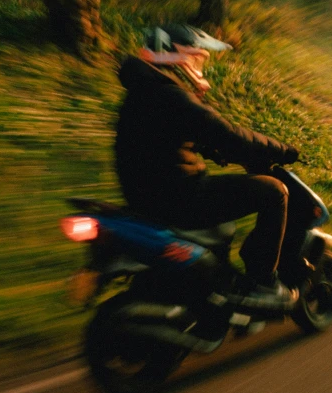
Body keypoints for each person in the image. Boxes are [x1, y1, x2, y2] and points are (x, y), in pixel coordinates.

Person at [114, 23, 300, 305]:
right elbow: (229, 136)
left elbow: (166, 136)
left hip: (146, 197)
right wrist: (282, 150)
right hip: (180, 196)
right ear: (175, 56)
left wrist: (212, 151)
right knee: (274, 192)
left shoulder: (143, 92)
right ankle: (263, 283)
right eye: (199, 57)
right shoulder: (170, 95)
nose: (201, 64)